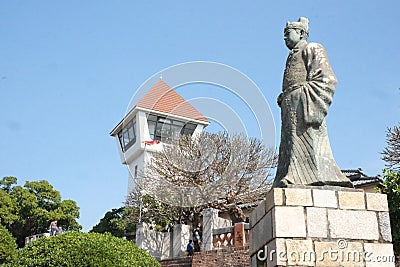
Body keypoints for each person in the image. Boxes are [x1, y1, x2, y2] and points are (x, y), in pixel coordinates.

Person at [273, 17, 353, 188]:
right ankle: (291, 176)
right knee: (290, 145)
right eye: (284, 34)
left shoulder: (312, 48)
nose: (285, 38)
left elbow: (327, 78)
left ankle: (316, 176)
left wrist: (303, 95)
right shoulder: (292, 55)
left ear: (301, 33)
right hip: (290, 105)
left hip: (305, 103)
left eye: (288, 33)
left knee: (311, 144)